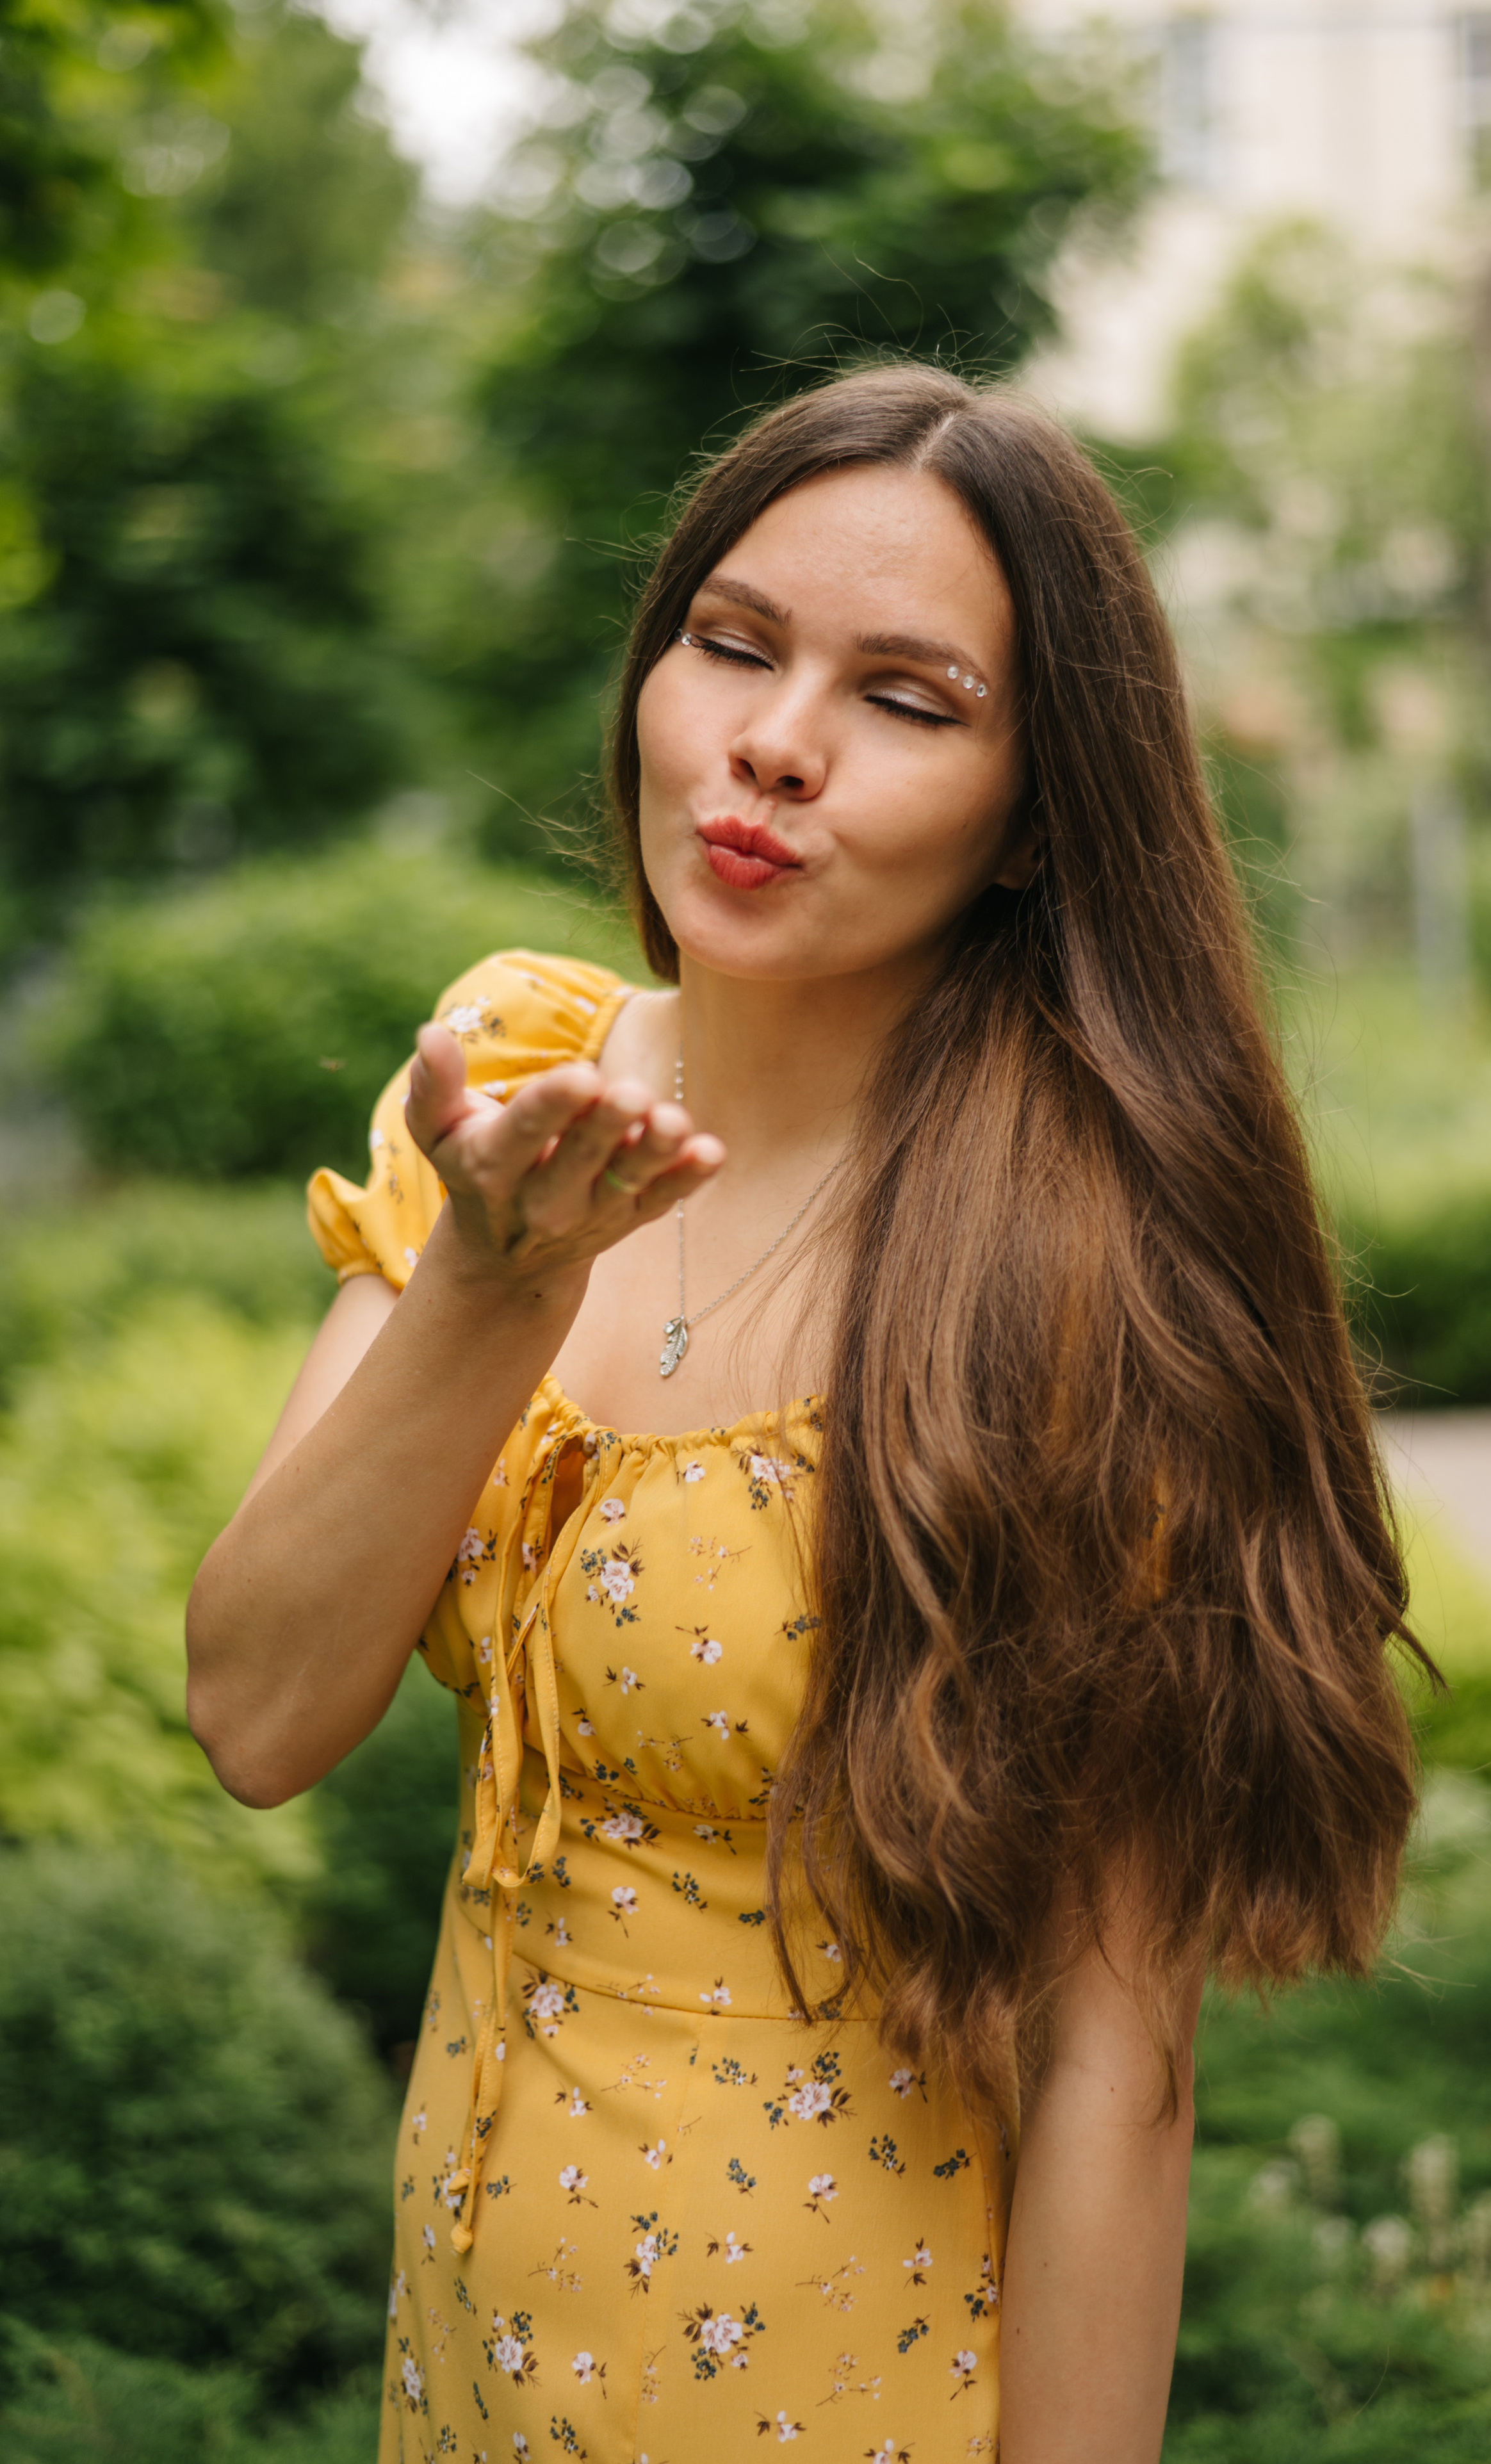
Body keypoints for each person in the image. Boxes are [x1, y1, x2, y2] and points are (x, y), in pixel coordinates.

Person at [186, 363, 1422, 2464]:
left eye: (909, 700)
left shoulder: (1071, 1280)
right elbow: (260, 1715)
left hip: (853, 2400)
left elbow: (1119, 2068)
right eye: (733, 645)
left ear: (1039, 814)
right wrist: (495, 1284)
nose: (773, 741)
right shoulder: (512, 1076)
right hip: (470, 2379)